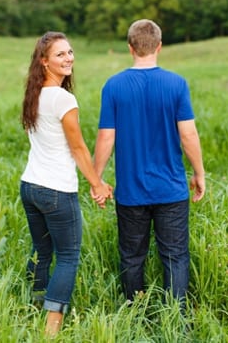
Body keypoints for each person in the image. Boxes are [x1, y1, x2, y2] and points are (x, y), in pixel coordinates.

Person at [93, 19, 205, 310]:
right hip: (171, 190)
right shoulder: (176, 84)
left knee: (132, 256)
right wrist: (199, 173)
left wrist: (97, 179)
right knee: (175, 255)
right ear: (159, 46)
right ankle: (175, 317)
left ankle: (135, 312)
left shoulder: (113, 86)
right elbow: (188, 134)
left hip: (131, 192)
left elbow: (106, 137)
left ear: (130, 48)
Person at [20, 31, 113, 336]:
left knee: (42, 252)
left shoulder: (35, 95)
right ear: (44, 62)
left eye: (70, 52)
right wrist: (97, 184)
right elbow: (77, 148)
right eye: (60, 54)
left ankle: (33, 307)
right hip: (56, 190)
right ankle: (51, 330)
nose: (69, 57)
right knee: (68, 256)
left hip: (30, 186)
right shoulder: (62, 98)